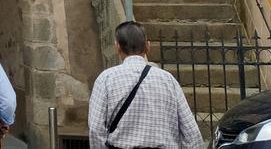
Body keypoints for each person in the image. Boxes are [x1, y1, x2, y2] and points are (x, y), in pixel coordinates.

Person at [87, 21, 203, 149]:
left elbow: (95, 129)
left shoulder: (105, 79)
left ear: (117, 47)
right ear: (148, 46)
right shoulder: (168, 80)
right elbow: (192, 133)